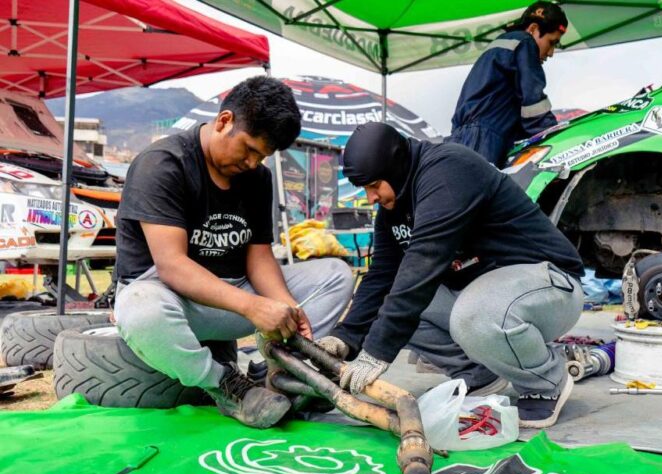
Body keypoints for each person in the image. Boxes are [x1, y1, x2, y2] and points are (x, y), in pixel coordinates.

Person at [113, 76, 353, 428]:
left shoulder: (257, 179)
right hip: (172, 297)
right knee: (141, 311)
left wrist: (287, 309)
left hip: (233, 294)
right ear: (224, 121)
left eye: (264, 156)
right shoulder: (163, 163)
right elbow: (172, 266)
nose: (254, 163)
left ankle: (281, 373)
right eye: (250, 150)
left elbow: (258, 256)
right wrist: (254, 306)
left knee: (335, 275)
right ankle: (226, 385)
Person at [318, 122, 585, 428]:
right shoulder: (396, 206)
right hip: (490, 293)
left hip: (550, 283)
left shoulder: (448, 171)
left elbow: (423, 262)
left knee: (470, 314)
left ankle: (545, 382)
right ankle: (479, 374)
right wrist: (346, 337)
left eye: (375, 185)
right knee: (395, 305)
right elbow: (382, 276)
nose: (371, 198)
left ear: (396, 167)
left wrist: (376, 353)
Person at [447, 1, 567, 168]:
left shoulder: (502, 47)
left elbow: (519, 118)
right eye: (551, 42)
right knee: (479, 191)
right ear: (533, 29)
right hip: (483, 139)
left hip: (465, 138)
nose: (551, 53)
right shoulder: (525, 42)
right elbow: (533, 106)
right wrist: (561, 138)